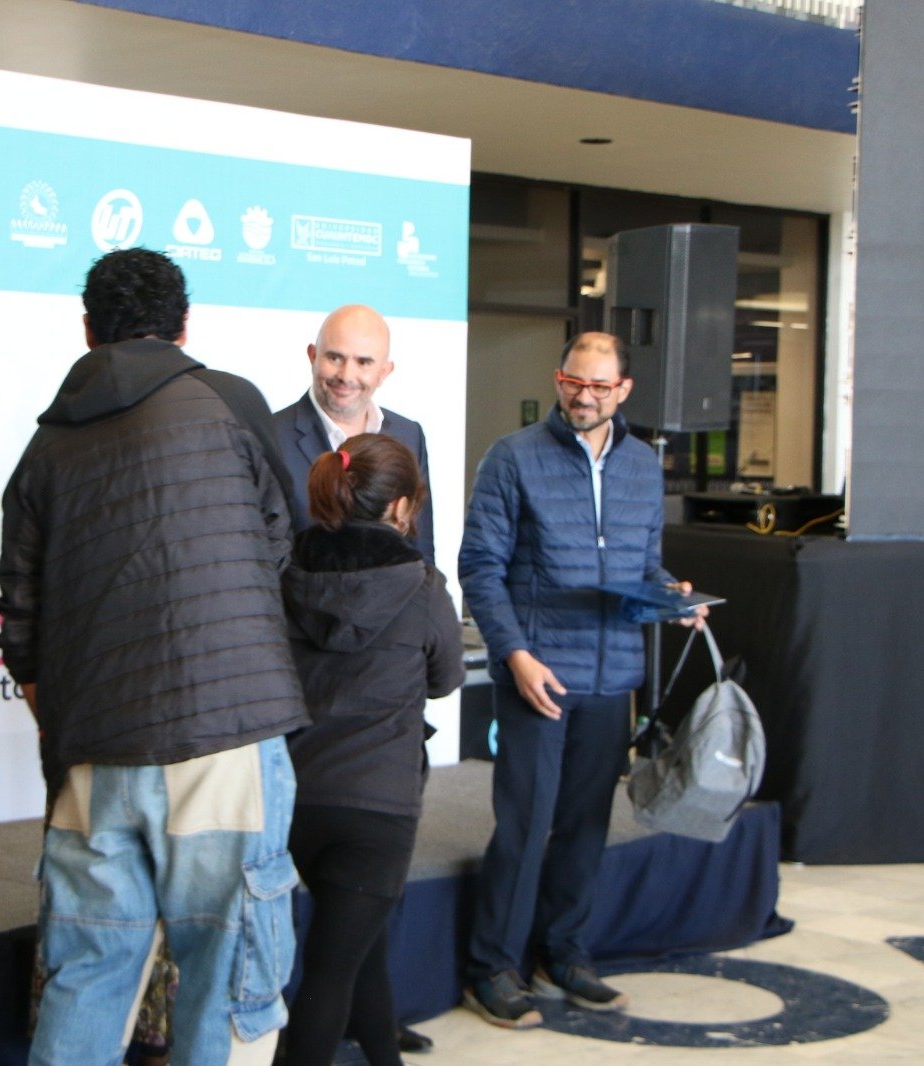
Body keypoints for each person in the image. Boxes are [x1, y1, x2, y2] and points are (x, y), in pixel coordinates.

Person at [0, 247, 310, 1066]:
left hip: (93, 753)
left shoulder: (47, 442)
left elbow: (21, 619)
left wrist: (69, 722)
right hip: (225, 739)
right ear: (183, 325)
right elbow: (280, 546)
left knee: (86, 976)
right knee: (229, 976)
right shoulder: (230, 400)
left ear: (89, 330)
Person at [458, 331, 705, 1029]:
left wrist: (672, 596)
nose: (584, 396)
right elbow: (479, 566)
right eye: (574, 381)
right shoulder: (512, 457)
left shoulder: (643, 465)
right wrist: (515, 655)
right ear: (558, 378)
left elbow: (644, 565)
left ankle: (562, 955)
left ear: (623, 390)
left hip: (612, 673)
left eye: (599, 385)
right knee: (525, 825)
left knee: (586, 827)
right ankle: (492, 968)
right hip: (538, 674)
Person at [280, 434, 464, 1066]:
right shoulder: (421, 585)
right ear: (402, 506)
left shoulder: (287, 574)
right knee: (330, 971)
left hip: (295, 794)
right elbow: (446, 678)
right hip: (377, 804)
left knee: (360, 947)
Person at [274, 304, 435, 566]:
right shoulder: (271, 436)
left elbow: (421, 551)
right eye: (334, 358)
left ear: (384, 372)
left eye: (363, 362)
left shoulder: (409, 435)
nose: (346, 375)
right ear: (312, 356)